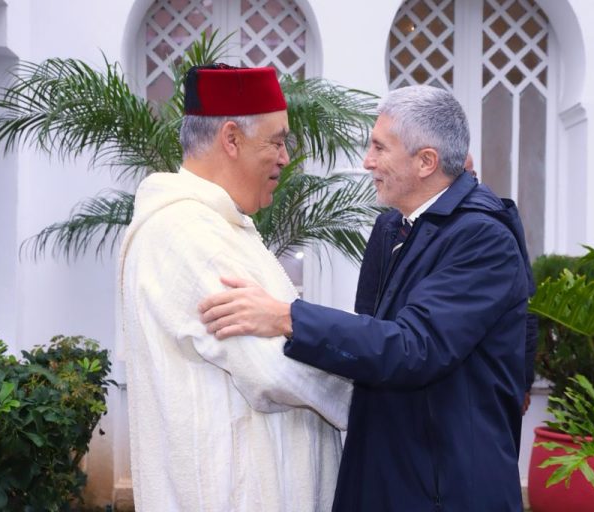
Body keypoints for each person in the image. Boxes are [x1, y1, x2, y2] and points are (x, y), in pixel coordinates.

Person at [199, 85, 533, 511]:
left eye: (379, 148)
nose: (367, 161)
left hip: (448, 489)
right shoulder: (391, 229)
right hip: (384, 472)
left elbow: (414, 348)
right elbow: (371, 342)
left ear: (426, 161)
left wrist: (288, 318)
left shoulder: (483, 239)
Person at [118, 64, 352, 511]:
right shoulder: (186, 232)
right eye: (277, 141)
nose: (285, 158)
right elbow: (273, 369)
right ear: (231, 139)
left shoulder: (218, 225)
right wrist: (376, 394)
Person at [354, 152, 538, 418]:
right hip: (391, 380)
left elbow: (525, 311)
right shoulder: (390, 225)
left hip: (459, 394)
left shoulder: (484, 232)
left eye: (468, 175)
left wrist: (524, 380)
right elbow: (368, 302)